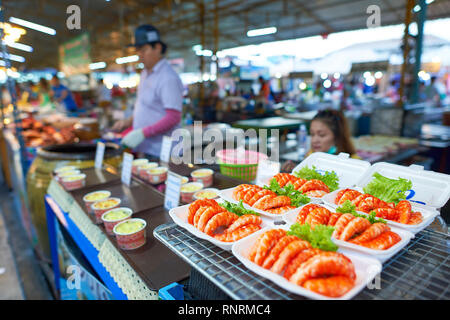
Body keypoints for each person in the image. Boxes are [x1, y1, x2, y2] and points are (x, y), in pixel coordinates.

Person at [111, 24, 183, 158]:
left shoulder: (168, 77)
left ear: (158, 48)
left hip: (163, 152)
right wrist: (128, 121)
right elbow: (145, 106)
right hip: (146, 148)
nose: (139, 55)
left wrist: (143, 133)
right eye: (137, 50)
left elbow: (173, 117)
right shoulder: (145, 73)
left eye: (143, 50)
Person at [281, 109, 358, 172]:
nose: (314, 140)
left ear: (337, 136)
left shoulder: (354, 163)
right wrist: (296, 170)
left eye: (322, 135)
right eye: (312, 134)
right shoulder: (310, 156)